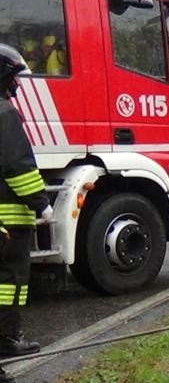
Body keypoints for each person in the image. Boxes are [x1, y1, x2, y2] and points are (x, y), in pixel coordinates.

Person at [0, 44, 53, 382]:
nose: (16, 85)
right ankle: (5, 340)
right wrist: (41, 202)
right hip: (8, 221)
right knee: (8, 282)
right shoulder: (4, 113)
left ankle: (6, 340)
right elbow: (17, 165)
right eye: (13, 77)